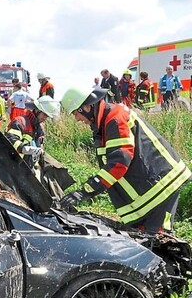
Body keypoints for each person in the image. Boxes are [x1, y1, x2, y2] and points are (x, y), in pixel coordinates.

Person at [59, 86, 191, 233]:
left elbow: (119, 162)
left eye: (76, 113)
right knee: (145, 240)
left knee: (158, 241)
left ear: (87, 107)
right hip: (151, 189)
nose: (77, 119)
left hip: (161, 187)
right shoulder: (105, 122)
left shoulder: (115, 117)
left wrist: (85, 191)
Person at [5, 95, 61, 171]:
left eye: (47, 116)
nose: (45, 118)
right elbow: (10, 140)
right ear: (37, 110)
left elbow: (39, 148)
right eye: (44, 114)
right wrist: (26, 149)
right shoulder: (20, 122)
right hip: (12, 168)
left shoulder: (39, 129)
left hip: (27, 170)